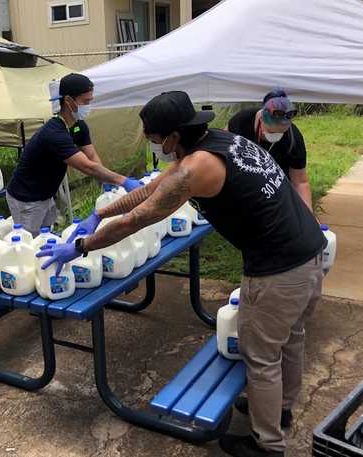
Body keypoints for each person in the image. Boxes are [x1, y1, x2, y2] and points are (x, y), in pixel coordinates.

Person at [39, 91, 326, 457]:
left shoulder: (195, 170)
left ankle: (267, 444)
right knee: (291, 338)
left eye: (155, 139)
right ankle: (279, 409)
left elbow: (139, 218)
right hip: (310, 253)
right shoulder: (220, 141)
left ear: (173, 136)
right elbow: (150, 190)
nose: (154, 145)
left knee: (263, 356)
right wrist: (99, 214)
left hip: (279, 270)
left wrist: (81, 247)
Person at [6, 73, 142, 236]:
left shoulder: (79, 126)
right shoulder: (54, 133)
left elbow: (92, 157)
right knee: (28, 242)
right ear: (69, 101)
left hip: (46, 194)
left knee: (45, 235)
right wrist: (123, 181)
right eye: (86, 101)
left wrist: (106, 180)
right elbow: (87, 166)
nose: (89, 106)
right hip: (26, 198)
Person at [228, 88, 313, 210]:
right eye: (270, 132)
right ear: (261, 118)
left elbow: (300, 182)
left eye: (281, 133)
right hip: (244, 183)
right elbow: (224, 146)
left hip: (277, 186)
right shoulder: (241, 121)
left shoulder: (293, 138)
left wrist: (309, 217)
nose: (275, 137)